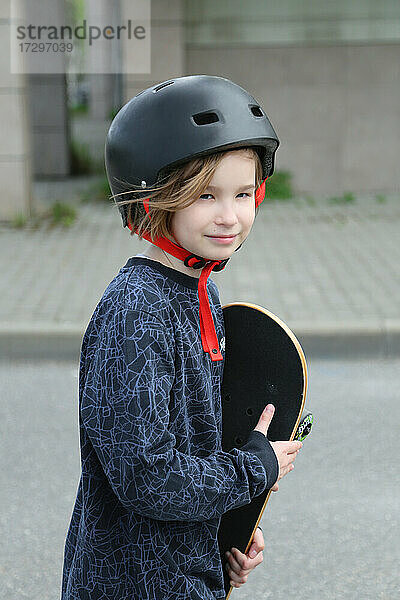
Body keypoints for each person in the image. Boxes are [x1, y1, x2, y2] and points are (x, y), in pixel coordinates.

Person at [61, 75, 302, 600]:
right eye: (205, 195)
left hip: (185, 577)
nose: (230, 216)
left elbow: (194, 450)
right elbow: (147, 477)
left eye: (243, 194)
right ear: (154, 198)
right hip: (132, 585)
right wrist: (252, 470)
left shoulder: (201, 295)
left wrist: (225, 533)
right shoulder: (137, 311)